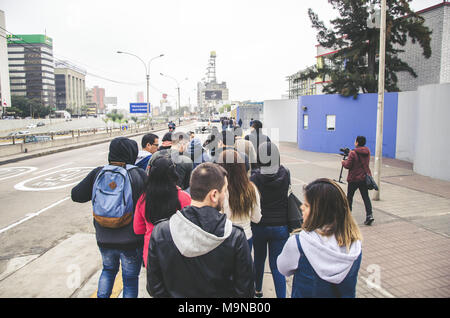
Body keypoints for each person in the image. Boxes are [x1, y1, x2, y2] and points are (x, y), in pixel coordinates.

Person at [146, 162, 255, 298]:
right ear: (214, 195)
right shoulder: (235, 237)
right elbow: (245, 291)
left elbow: (154, 287)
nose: (226, 195)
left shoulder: (161, 232)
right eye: (225, 190)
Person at [71, 137, 147, 298]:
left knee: (108, 270)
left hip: (104, 237)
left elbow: (76, 195)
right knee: (130, 279)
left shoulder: (98, 172)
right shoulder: (138, 174)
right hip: (131, 240)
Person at [277, 178, 363, 298]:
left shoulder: (299, 243)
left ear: (319, 212)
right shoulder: (354, 245)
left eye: (306, 205)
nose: (301, 207)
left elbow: (283, 268)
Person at [133, 157, 191, 268]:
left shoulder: (143, 199)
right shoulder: (184, 198)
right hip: (178, 252)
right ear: (173, 173)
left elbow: (138, 229)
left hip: (151, 252)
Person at [250, 142, 290, 298]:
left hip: (259, 225)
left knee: (259, 260)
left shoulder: (255, 177)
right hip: (281, 226)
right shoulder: (285, 173)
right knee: (277, 265)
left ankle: (258, 290)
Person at [218, 149, 261, 250]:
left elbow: (221, 217)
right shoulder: (251, 188)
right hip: (246, 236)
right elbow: (257, 218)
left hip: (225, 237)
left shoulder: (220, 190)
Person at [341, 136, 374, 226]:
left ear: (357, 142)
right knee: (365, 197)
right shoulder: (367, 152)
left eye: (355, 141)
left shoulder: (353, 153)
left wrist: (343, 162)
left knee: (349, 197)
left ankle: (348, 217)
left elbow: (348, 165)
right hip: (363, 178)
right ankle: (369, 215)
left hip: (353, 179)